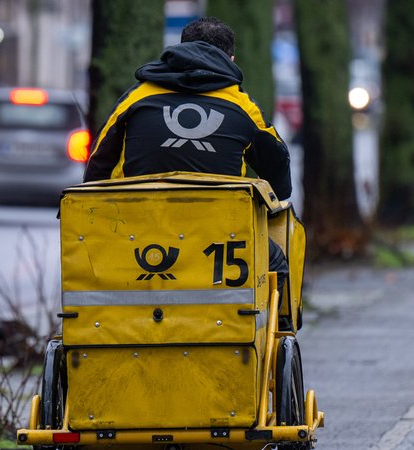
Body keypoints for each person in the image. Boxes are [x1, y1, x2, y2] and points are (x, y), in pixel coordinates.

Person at [84, 16, 290, 290]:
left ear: (179, 50)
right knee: (277, 262)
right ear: (231, 59)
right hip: (219, 239)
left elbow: (95, 171)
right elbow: (281, 182)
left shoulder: (136, 97)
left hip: (137, 236)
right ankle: (284, 331)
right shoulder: (242, 106)